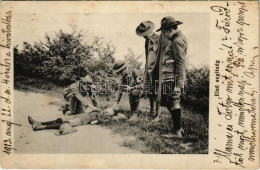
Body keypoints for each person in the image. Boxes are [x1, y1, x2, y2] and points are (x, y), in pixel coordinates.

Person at [155, 16, 188, 138]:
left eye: (164, 32)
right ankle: (178, 127)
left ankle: (177, 131)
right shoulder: (177, 39)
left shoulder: (177, 41)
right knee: (168, 101)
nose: (163, 34)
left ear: (169, 30)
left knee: (173, 102)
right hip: (168, 77)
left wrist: (179, 84)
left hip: (172, 78)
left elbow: (180, 63)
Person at [28, 106, 127, 135]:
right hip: (79, 115)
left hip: (81, 120)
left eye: (111, 110)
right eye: (109, 109)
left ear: (112, 113)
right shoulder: (100, 110)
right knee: (59, 119)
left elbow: (123, 117)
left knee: (64, 123)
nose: (107, 110)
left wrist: (95, 122)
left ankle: (40, 127)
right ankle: (39, 122)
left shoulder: (107, 117)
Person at [136, 21, 160, 117]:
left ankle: (158, 114)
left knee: (157, 90)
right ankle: (152, 111)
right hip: (148, 68)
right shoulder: (147, 40)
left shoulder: (158, 39)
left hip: (156, 68)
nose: (143, 36)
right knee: (150, 89)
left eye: (144, 34)